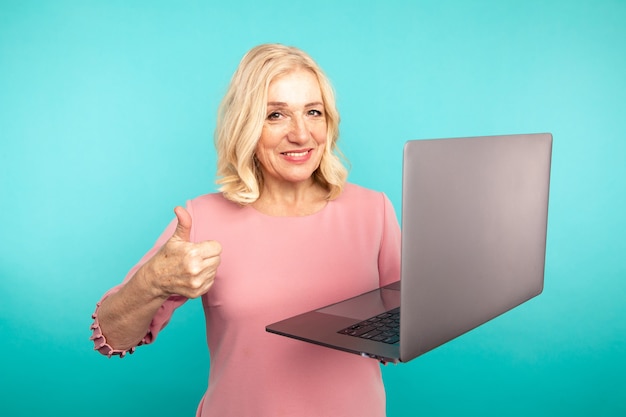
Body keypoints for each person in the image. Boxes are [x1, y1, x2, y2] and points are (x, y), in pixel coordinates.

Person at [90, 43, 401, 417]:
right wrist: (153, 281)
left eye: (313, 112)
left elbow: (399, 335)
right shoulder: (201, 219)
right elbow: (114, 336)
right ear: (246, 126)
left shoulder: (374, 211)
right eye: (276, 115)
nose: (301, 134)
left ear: (329, 122)